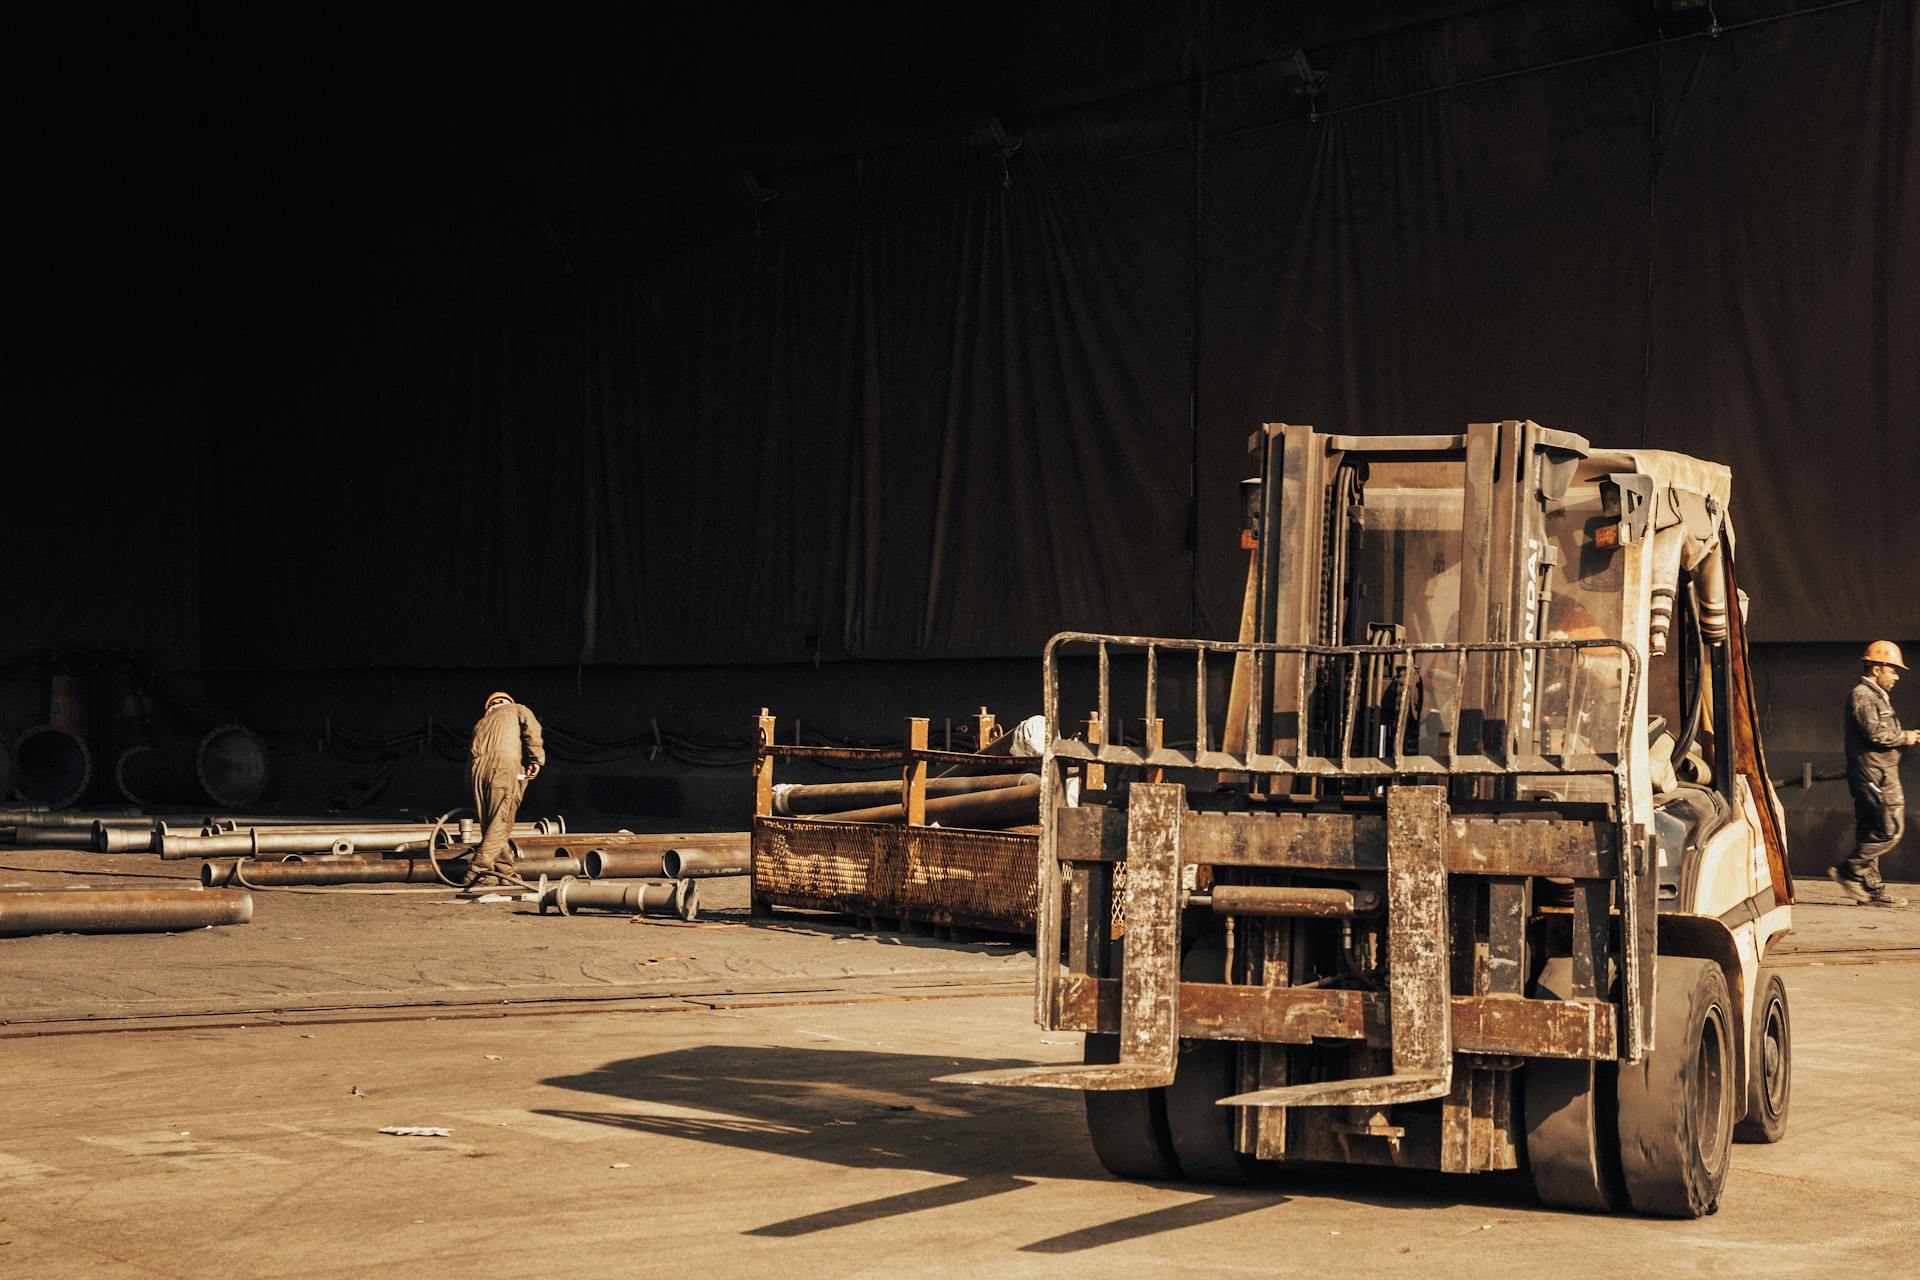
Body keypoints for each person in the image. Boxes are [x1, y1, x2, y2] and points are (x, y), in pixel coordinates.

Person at [1834, 642, 1919, 908]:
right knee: (1890, 829)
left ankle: (1871, 891)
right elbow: (1875, 734)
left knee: (1870, 829)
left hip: (1875, 770)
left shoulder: (1876, 695)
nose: (1896, 676)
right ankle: (1849, 870)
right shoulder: (1863, 695)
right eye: (1893, 671)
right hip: (1876, 773)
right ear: (1877, 667)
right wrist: (1905, 736)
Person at [463, 691, 546, 895]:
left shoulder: (480, 723)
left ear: (489, 706)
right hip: (503, 767)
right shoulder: (517, 709)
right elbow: (532, 732)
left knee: (490, 823)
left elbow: (469, 760)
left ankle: (502, 873)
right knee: (501, 820)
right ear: (508, 701)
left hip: (476, 773)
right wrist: (536, 760)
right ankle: (478, 869)